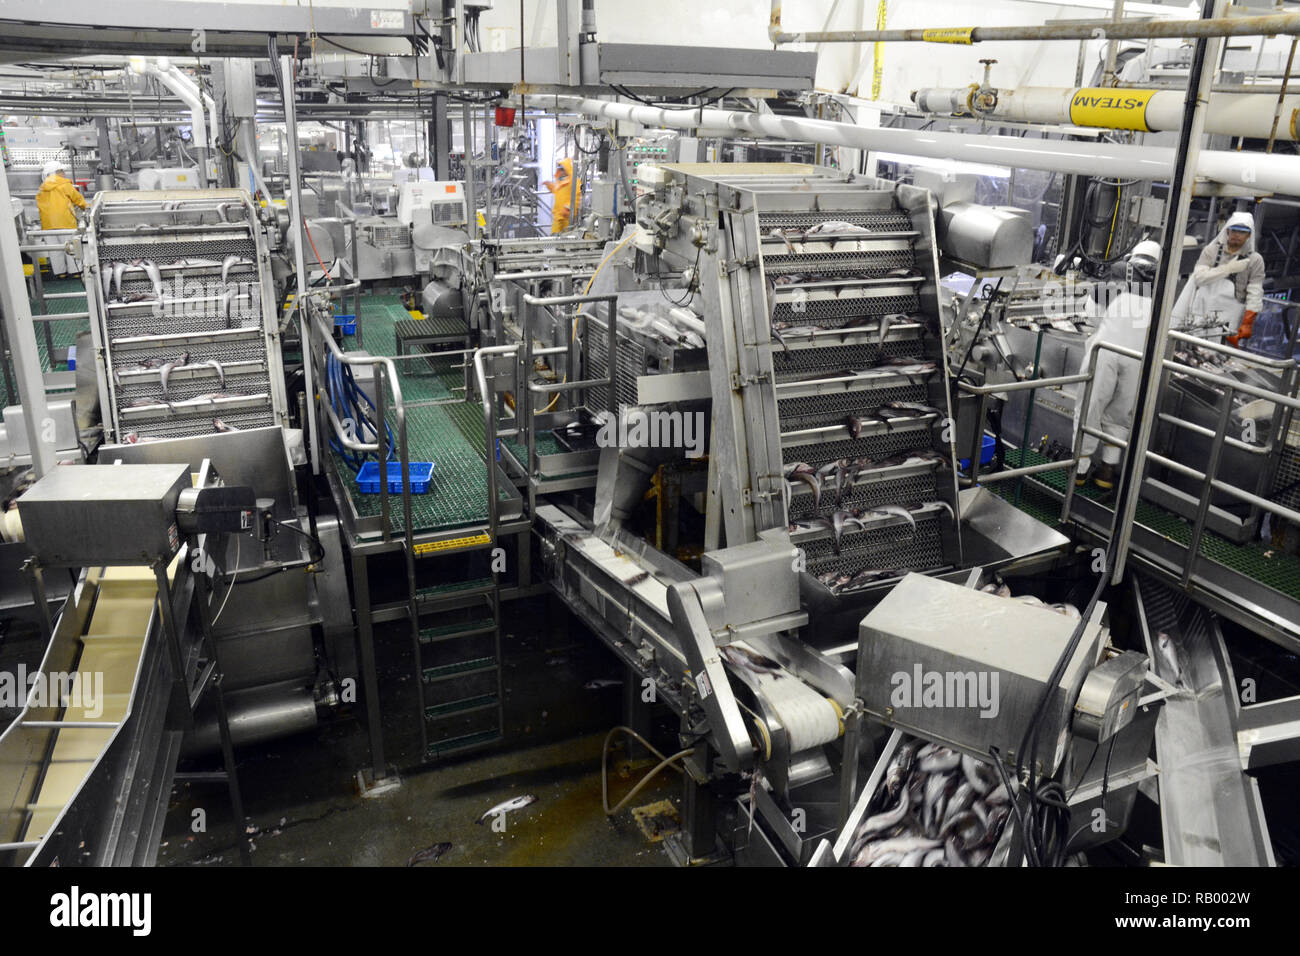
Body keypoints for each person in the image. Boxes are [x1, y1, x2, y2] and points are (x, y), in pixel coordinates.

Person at [1073, 239, 1162, 491]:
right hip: (1138, 358)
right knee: (1121, 414)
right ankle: (1106, 472)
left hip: (1105, 352)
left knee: (1090, 407)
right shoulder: (1163, 287)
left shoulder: (1117, 276)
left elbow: (1092, 314)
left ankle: (1079, 470)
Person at [1189, 211, 1265, 348]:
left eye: (1242, 232)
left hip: (1229, 317)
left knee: (1218, 352)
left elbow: (1255, 292)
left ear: (1249, 235)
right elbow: (1199, 278)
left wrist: (1248, 322)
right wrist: (1228, 269)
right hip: (1201, 310)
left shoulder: (1255, 260)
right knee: (1193, 347)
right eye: (1234, 230)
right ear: (1227, 231)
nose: (1237, 235)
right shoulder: (1210, 251)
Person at [35, 160, 87, 277]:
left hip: (48, 225)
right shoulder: (65, 185)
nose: (63, 173)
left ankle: (60, 273)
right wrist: (86, 207)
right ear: (55, 173)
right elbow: (78, 199)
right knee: (71, 247)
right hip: (66, 222)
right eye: (61, 171)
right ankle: (75, 271)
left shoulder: (41, 189)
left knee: (55, 250)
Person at [543, 157, 581, 234]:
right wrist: (549, 185)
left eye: (562, 169)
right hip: (558, 216)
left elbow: (576, 197)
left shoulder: (574, 181)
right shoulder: (560, 180)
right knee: (554, 236)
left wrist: (568, 208)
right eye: (560, 169)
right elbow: (556, 190)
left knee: (566, 237)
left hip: (567, 217)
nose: (561, 171)